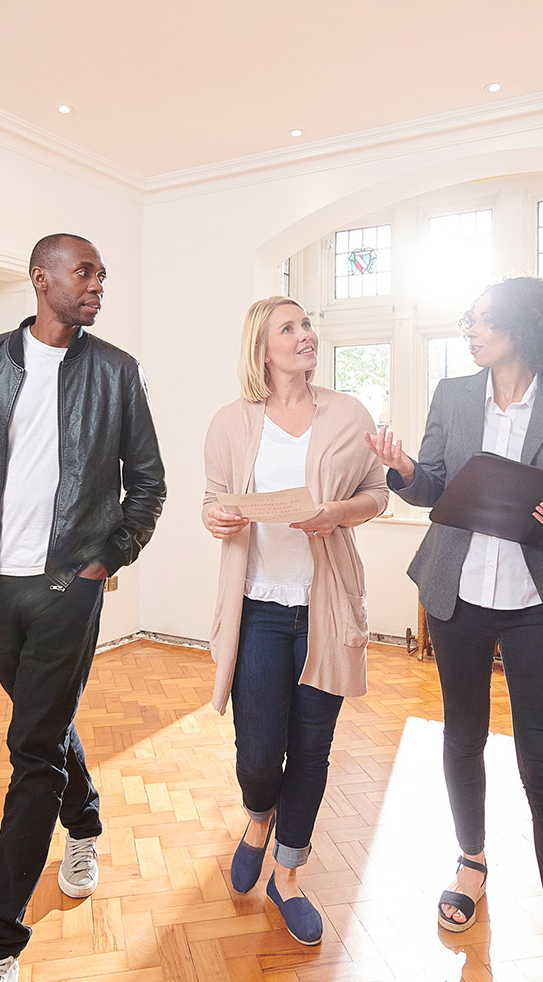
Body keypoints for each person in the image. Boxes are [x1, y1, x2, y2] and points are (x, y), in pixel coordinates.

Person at [364, 276, 543, 982]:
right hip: (457, 595)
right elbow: (436, 489)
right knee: (461, 738)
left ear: (524, 328)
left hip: (534, 605)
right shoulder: (452, 391)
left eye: (483, 319)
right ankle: (471, 862)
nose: (470, 328)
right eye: (468, 318)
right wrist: (404, 470)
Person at [0, 233, 166, 982]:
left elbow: (150, 483)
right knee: (46, 722)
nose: (98, 284)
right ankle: (89, 819)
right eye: (86, 272)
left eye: (102, 272)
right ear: (43, 279)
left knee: (29, 750)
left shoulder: (116, 371)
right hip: (1, 590)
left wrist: (111, 557)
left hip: (73, 588)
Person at [201, 297, 388, 946]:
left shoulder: (349, 413)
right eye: (290, 328)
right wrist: (219, 517)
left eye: (307, 325)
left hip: (325, 610)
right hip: (257, 609)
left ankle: (287, 874)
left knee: (310, 750)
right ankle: (259, 816)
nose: (306, 335)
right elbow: (214, 503)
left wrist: (336, 514)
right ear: (263, 348)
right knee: (257, 754)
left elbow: (377, 493)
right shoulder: (230, 423)